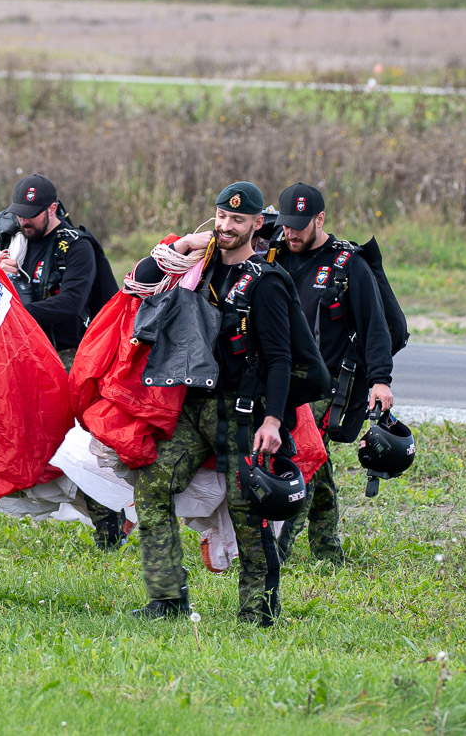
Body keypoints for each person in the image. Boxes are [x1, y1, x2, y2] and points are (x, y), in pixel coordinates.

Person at [129, 181, 293, 626]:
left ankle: (257, 610)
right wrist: (182, 244)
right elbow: (139, 282)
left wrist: (274, 420)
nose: (226, 226)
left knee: (249, 511)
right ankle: (166, 598)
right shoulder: (195, 266)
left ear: (257, 224)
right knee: (150, 486)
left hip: (243, 412)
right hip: (195, 406)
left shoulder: (267, 282)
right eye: (221, 216)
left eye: (237, 220)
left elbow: (281, 358)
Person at [0, 174, 126, 552]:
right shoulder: (16, 244)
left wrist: (15, 308)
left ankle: (110, 528)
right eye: (19, 214)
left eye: (33, 215)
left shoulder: (77, 248)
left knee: (70, 444)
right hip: (22, 352)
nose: (25, 221)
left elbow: (72, 305)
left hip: (67, 356)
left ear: (53, 209)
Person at [273, 182, 395, 565]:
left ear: (320, 219)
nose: (291, 233)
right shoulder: (273, 253)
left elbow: (375, 326)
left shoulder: (347, 265)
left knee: (303, 464)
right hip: (279, 380)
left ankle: (277, 551)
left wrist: (380, 380)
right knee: (317, 467)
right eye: (287, 225)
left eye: (300, 226)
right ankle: (329, 553)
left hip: (325, 386)